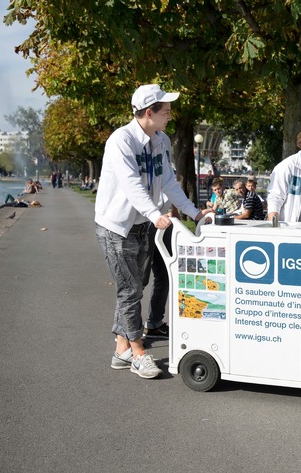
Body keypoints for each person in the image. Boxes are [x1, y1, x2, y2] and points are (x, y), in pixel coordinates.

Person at [95, 84, 210, 379]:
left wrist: (194, 212)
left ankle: (121, 347)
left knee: (135, 286)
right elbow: (131, 184)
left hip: (141, 224)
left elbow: (169, 182)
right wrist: (155, 214)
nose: (170, 116)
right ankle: (138, 352)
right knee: (130, 289)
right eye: (166, 111)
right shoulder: (121, 140)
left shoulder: (161, 140)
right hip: (116, 226)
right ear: (149, 112)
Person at [144, 201, 179, 340]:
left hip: (163, 229)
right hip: (143, 227)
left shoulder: (169, 180)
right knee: (137, 282)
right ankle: (126, 333)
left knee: (164, 276)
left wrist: (174, 215)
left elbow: (175, 204)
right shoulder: (142, 179)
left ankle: (154, 324)